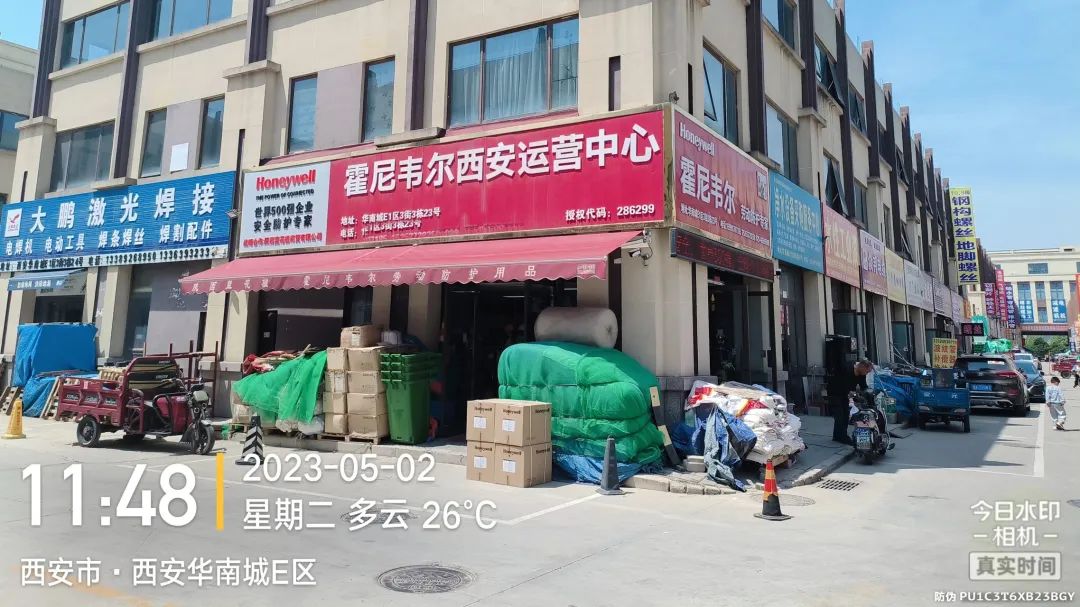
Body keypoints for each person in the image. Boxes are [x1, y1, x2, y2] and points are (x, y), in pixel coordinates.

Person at [830, 358, 874, 444]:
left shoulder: (861, 375)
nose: (867, 373)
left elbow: (863, 386)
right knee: (840, 415)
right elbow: (840, 384)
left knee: (845, 414)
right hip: (835, 392)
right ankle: (842, 437)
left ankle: (837, 436)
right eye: (867, 371)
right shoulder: (847, 370)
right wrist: (852, 393)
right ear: (862, 367)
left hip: (845, 395)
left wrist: (868, 394)